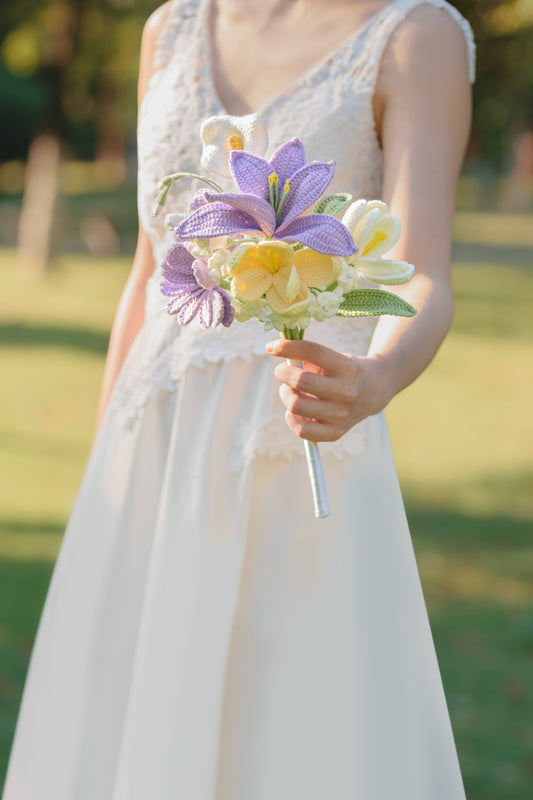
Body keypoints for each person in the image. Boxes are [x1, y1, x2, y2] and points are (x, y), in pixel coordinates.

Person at [2, 1, 476, 798]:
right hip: (152, 441)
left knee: (285, 727)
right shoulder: (170, 28)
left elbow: (421, 269)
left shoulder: (411, 36)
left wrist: (375, 378)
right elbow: (149, 268)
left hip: (295, 431)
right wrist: (105, 469)